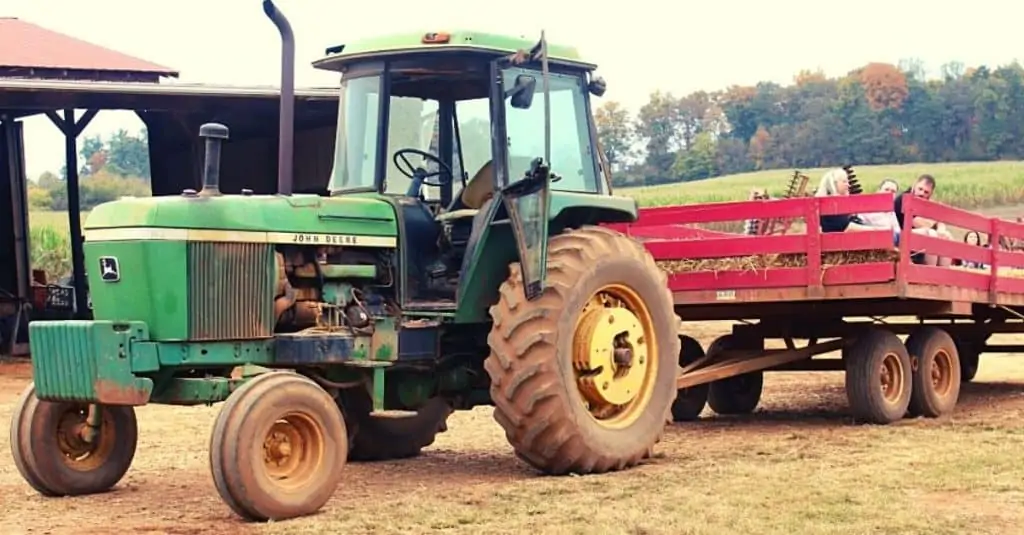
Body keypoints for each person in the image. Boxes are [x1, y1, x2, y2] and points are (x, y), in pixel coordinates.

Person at [892, 174, 953, 266]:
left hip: (917, 236)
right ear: (914, 185)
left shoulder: (925, 203)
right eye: (920, 189)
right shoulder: (904, 198)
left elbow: (939, 222)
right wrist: (936, 220)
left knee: (947, 236)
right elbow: (919, 223)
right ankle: (930, 273)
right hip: (902, 236)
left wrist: (941, 229)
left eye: (926, 192)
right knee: (931, 234)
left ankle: (943, 274)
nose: (922, 194)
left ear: (930, 194)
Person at [814, 168, 874, 233]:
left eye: (847, 181)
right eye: (844, 181)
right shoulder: (830, 205)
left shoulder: (835, 204)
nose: (848, 185)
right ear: (834, 183)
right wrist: (875, 230)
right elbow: (848, 228)